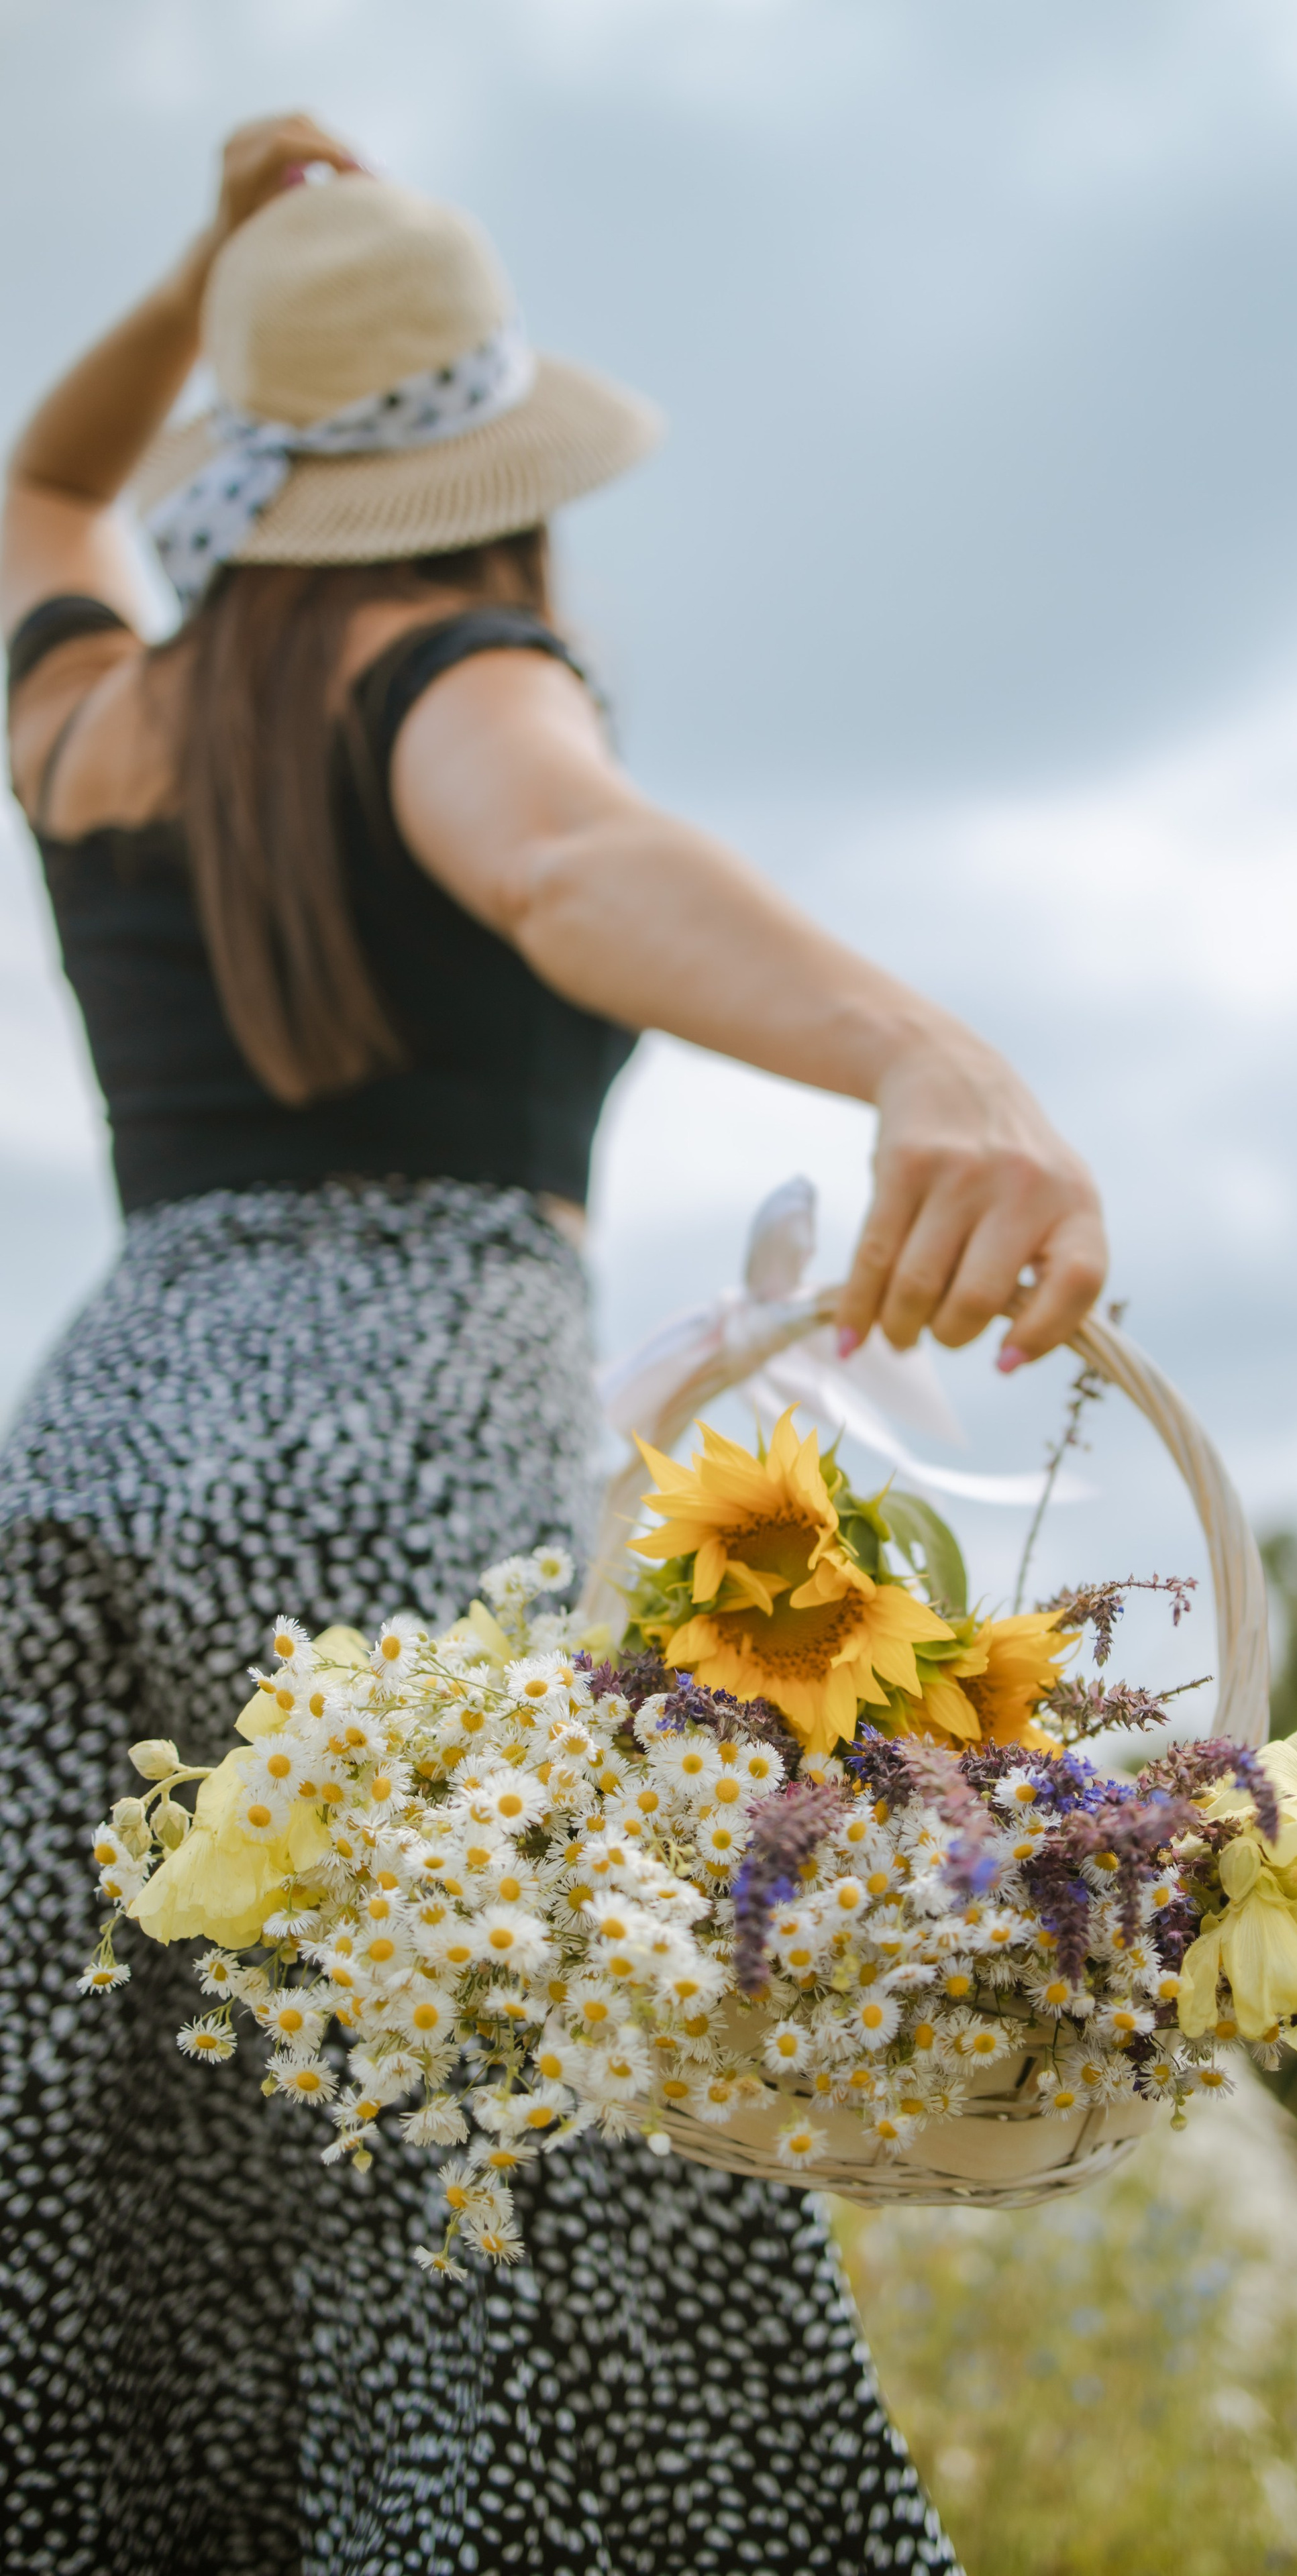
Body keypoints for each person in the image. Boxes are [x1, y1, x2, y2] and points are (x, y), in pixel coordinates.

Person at [0, 113, 1107, 2576]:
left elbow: (46, 488)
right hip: (402, 1467)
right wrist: (928, 1057)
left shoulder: (89, 716)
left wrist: (198, 280)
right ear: (494, 475)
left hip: (87, 1455)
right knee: (523, 2175)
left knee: (104, 2180)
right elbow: (567, 856)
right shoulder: (454, 670)